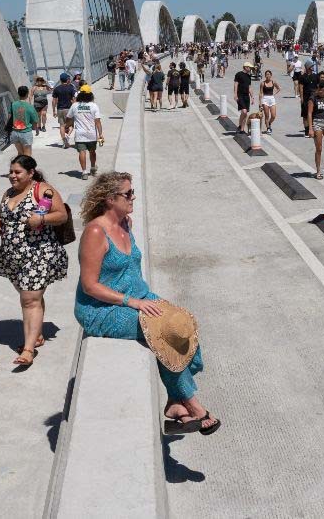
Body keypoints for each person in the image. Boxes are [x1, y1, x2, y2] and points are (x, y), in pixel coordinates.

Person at [75, 172, 220, 435]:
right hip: (101, 309)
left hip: (137, 296)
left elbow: (129, 271)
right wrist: (133, 302)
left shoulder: (125, 223)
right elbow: (90, 285)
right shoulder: (95, 232)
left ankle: (175, 403)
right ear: (110, 199)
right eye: (127, 194)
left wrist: (145, 299)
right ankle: (190, 402)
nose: (133, 198)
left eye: (133, 192)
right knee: (160, 333)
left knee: (182, 323)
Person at [0, 155, 69, 368]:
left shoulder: (43, 191)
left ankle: (28, 350)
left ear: (31, 172)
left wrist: (42, 219)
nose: (12, 176)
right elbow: (5, 215)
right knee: (31, 297)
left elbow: (61, 215)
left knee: (29, 299)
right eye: (11, 172)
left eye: (17, 172)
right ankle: (38, 334)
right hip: (13, 256)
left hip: (38, 254)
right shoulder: (9, 193)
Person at [67, 85, 105, 179]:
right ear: (90, 95)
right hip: (92, 134)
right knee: (92, 151)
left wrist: (68, 125)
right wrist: (100, 134)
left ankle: (84, 172)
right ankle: (92, 168)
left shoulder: (75, 105)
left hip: (80, 134)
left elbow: (68, 118)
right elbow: (98, 122)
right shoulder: (94, 106)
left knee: (82, 152)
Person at [9, 86, 39, 157]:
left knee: (20, 154)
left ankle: (20, 167)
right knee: (27, 155)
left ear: (18, 93)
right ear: (27, 94)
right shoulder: (29, 106)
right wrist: (37, 129)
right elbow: (35, 121)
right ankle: (26, 168)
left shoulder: (13, 104)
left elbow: (9, 117)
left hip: (15, 132)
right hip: (25, 133)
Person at [51, 72, 77, 147]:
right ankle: (68, 136)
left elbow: (54, 100)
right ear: (67, 79)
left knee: (62, 126)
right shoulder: (71, 88)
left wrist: (53, 110)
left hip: (60, 109)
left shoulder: (57, 89)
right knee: (71, 125)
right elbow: (74, 99)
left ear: (61, 80)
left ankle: (64, 141)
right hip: (69, 109)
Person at [234, 63, 254, 134]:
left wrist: (252, 97)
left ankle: (242, 129)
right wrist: (235, 94)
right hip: (240, 95)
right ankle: (240, 125)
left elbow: (249, 87)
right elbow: (236, 84)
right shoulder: (238, 74)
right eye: (249, 67)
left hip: (246, 96)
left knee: (245, 113)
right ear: (245, 67)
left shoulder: (249, 76)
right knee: (244, 112)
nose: (250, 69)